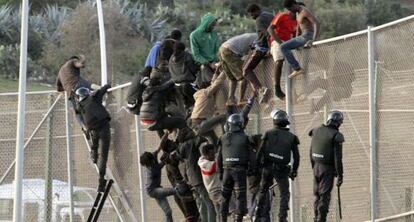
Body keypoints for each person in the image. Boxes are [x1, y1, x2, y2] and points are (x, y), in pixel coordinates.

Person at [255, 109, 300, 222]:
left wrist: (258, 166)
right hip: (281, 169)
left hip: (267, 167)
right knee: (284, 193)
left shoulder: (268, 133)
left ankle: (257, 215)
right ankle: (282, 218)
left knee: (263, 190)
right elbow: (297, 157)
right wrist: (294, 171)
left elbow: (260, 151)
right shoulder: (291, 137)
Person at [217, 114, 256, 222]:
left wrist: (220, 172)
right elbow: (252, 157)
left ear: (229, 125)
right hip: (239, 171)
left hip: (226, 171)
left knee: (225, 196)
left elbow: (219, 157)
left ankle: (222, 219)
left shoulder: (223, 138)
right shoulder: (245, 138)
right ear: (241, 124)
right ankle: (238, 220)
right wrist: (252, 170)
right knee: (240, 197)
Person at [74, 84, 112, 192]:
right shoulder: (94, 98)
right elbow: (105, 87)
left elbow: (80, 118)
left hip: (93, 130)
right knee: (104, 156)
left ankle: (94, 153)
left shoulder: (79, 107)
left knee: (95, 143)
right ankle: (101, 182)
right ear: (87, 94)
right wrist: (105, 85)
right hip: (104, 128)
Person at [174, 127, 216, 222]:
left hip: (191, 178)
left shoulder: (181, 147)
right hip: (197, 177)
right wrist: (200, 127)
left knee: (202, 202)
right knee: (209, 203)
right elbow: (201, 138)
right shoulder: (190, 143)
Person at [309, 110, 344, 222]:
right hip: (326, 169)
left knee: (317, 195)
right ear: (338, 123)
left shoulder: (316, 131)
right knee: (324, 196)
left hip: (316, 167)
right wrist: (340, 175)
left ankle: (316, 218)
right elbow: (337, 158)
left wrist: (313, 166)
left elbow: (311, 151)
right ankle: (321, 219)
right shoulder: (336, 135)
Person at [159, 133, 200, 222]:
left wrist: (167, 132)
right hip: (183, 192)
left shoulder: (168, 159)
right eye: (171, 143)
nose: (174, 143)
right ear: (169, 148)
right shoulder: (172, 159)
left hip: (180, 193)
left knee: (193, 216)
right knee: (193, 217)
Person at [140, 132, 177, 222]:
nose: (150, 165)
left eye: (150, 162)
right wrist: (170, 156)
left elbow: (160, 146)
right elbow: (162, 163)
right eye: (148, 165)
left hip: (157, 188)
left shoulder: (152, 156)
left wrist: (166, 134)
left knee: (168, 212)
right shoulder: (151, 170)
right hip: (153, 191)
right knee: (175, 190)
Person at [281, 0, 320, 79]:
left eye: (290, 8)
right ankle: (298, 68)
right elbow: (299, 28)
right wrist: (296, 40)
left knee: (283, 47)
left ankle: (297, 68)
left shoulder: (304, 11)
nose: (290, 11)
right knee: (285, 47)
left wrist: (313, 39)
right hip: (302, 36)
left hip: (308, 36)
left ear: (294, 4)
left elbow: (316, 23)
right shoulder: (297, 13)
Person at [244, 4, 273, 103]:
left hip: (263, 48)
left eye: (252, 14)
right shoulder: (269, 15)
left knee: (246, 70)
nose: (252, 17)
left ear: (256, 11)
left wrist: (270, 48)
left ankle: (261, 90)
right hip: (265, 44)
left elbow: (267, 33)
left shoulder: (259, 19)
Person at [219, 33, 258, 105]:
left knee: (232, 78)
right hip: (230, 50)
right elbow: (254, 52)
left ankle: (230, 99)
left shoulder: (252, 36)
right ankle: (241, 99)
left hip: (223, 48)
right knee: (244, 75)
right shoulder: (257, 39)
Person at [267, 11, 298, 100]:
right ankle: (277, 88)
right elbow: (270, 29)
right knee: (279, 60)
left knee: (296, 65)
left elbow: (296, 34)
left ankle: (293, 90)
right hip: (277, 40)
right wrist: (280, 43)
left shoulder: (297, 21)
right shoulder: (282, 15)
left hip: (288, 42)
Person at [190, 71, 227, 142]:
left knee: (214, 140)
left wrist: (216, 72)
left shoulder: (200, 94)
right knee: (223, 117)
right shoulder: (206, 93)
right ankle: (226, 136)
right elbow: (217, 82)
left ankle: (220, 149)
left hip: (196, 125)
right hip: (200, 124)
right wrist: (225, 70)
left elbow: (213, 83)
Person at [190, 13, 220, 88]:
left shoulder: (214, 34)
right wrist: (208, 63)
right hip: (202, 64)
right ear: (206, 23)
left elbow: (217, 50)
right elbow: (196, 55)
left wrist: (217, 62)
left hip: (214, 63)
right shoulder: (194, 35)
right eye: (212, 25)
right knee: (211, 82)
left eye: (214, 25)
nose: (213, 27)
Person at [169, 41, 199, 111]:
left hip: (177, 87)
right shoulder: (186, 55)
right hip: (188, 85)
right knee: (201, 97)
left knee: (186, 106)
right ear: (183, 48)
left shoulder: (171, 58)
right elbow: (193, 69)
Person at [198, 143, 221, 222]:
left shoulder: (202, 161)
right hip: (216, 191)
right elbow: (219, 165)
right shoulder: (208, 165)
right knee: (227, 208)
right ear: (206, 155)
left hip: (213, 191)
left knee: (219, 213)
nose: (214, 156)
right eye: (212, 154)